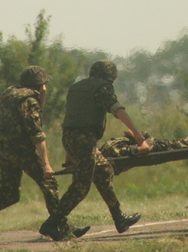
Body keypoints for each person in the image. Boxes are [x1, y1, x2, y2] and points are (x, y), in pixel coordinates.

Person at [0, 66, 88, 243]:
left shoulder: (11, 93)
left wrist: (41, 97)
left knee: (9, 193)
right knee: (49, 184)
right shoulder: (30, 101)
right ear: (41, 85)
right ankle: (58, 226)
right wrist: (46, 164)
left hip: (4, 148)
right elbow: (37, 134)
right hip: (21, 150)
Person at [40, 60, 150, 241]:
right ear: (110, 75)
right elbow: (119, 111)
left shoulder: (76, 88)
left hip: (70, 139)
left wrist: (69, 156)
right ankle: (51, 224)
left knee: (103, 170)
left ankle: (119, 218)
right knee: (80, 187)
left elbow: (71, 119)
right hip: (84, 141)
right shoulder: (103, 88)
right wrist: (140, 140)